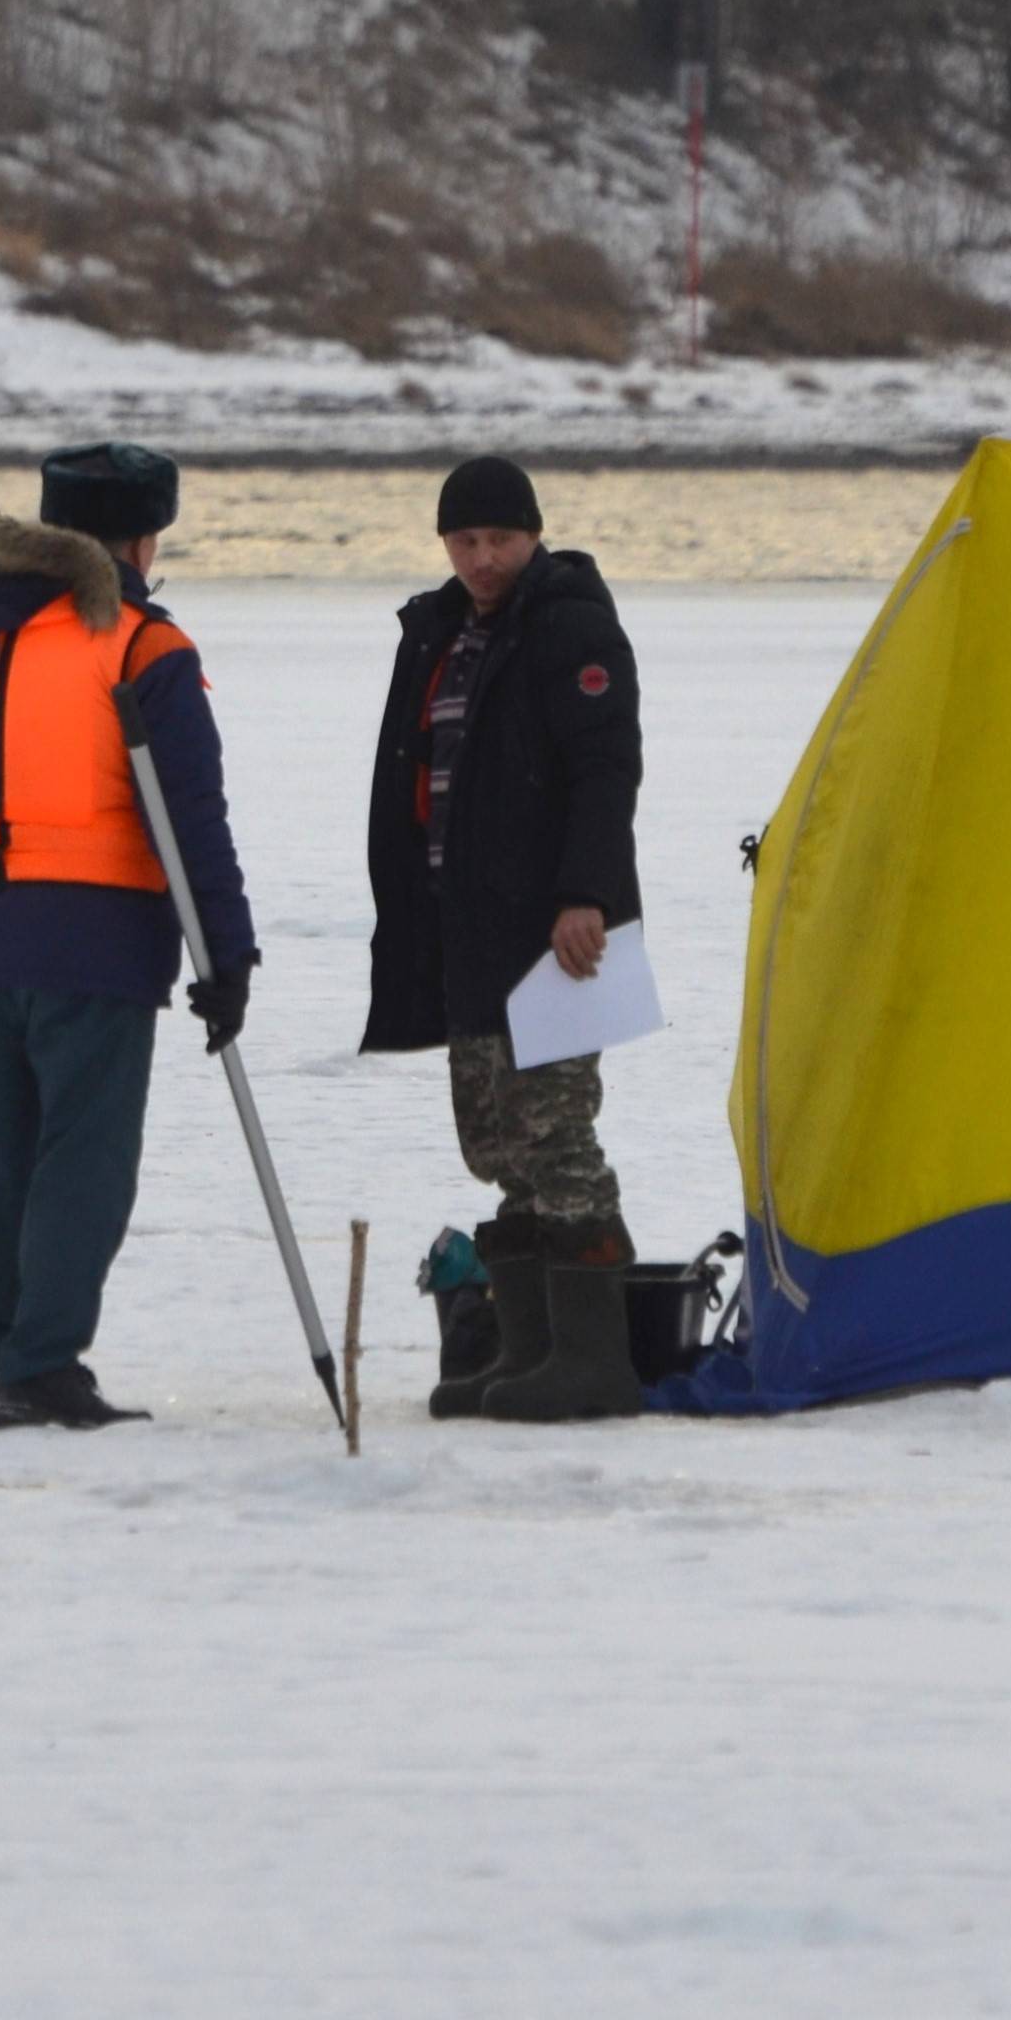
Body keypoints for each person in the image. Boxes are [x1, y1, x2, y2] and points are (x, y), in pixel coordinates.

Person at [0, 442, 260, 1432]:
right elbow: (190, 815)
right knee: (81, 1161)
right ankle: (41, 1362)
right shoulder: (137, 642)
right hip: (94, 935)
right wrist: (226, 955)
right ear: (140, 538)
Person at [359, 454, 644, 1422]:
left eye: (500, 540)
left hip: (558, 933)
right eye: (465, 540)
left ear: (534, 536)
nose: (482, 559)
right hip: (465, 928)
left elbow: (606, 769)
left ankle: (593, 1360)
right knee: (495, 1142)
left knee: (556, 1133)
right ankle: (526, 1350)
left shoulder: (568, 624)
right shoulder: (439, 631)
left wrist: (585, 896)